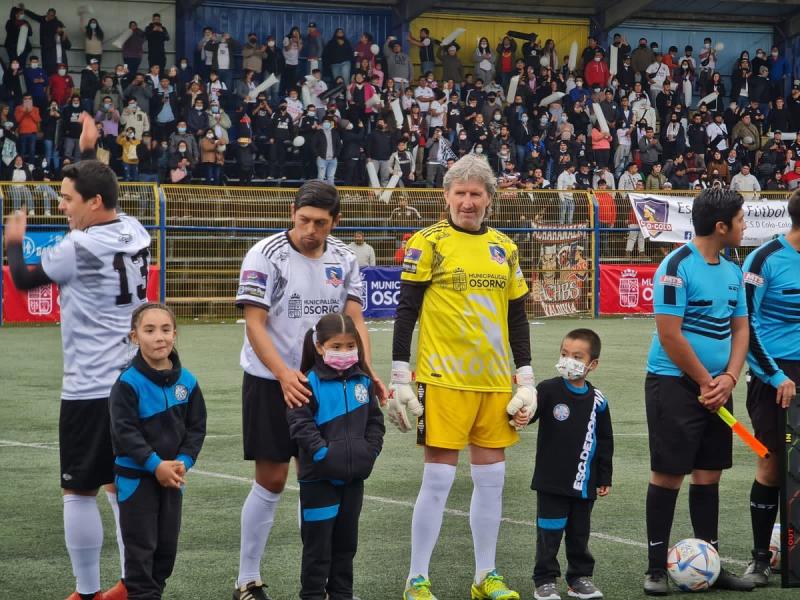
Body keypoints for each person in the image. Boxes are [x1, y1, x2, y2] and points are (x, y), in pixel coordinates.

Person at [4, 113, 151, 600]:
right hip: (134, 381)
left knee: (80, 490)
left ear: (93, 203)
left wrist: (14, 239)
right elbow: (100, 186)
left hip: (90, 385)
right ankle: (132, 583)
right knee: (122, 486)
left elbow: (23, 280)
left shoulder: (79, 246)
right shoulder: (135, 228)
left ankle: (86, 592)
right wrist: (88, 151)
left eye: (67, 199)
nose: (62, 206)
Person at [389, 154, 534, 600]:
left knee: (492, 482)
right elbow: (406, 309)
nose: (467, 202)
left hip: (494, 383)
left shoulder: (505, 248)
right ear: (446, 196)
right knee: (437, 481)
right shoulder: (428, 241)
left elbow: (517, 316)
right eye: (460, 193)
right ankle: (417, 579)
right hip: (442, 381)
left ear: (490, 198)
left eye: (476, 194)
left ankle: (485, 575)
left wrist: (526, 376)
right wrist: (399, 373)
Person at [232, 180, 385, 600]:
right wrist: (284, 374)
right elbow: (254, 324)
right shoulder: (265, 255)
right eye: (303, 220)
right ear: (292, 214)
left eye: (320, 222)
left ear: (335, 221)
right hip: (270, 381)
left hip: (325, 384)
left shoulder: (344, 258)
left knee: (320, 477)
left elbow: (353, 318)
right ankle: (247, 580)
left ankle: (320, 585)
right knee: (272, 478)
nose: (310, 230)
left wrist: (366, 369)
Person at [643, 188, 755, 595]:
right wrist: (707, 382)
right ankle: (656, 569)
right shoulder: (676, 267)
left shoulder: (732, 270)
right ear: (721, 226)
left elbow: (740, 329)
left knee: (709, 474)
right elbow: (669, 335)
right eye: (740, 220)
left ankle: (711, 565)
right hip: (673, 384)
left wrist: (729, 377)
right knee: (669, 474)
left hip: (718, 387)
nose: (745, 226)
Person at [109, 303, 207, 600]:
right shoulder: (127, 383)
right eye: (149, 330)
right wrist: (155, 465)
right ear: (135, 336)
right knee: (141, 552)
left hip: (173, 479)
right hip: (137, 479)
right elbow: (125, 432)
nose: (159, 337)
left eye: (165, 329)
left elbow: (196, 428)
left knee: (165, 552)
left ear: (175, 334)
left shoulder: (188, 382)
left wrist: (183, 461)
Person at [287, 312, 385, 600]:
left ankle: (342, 594)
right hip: (318, 481)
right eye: (336, 346)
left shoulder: (363, 381)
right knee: (317, 551)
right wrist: (322, 454)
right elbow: (300, 424)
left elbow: (375, 422)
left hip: (353, 482)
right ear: (320, 347)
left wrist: (370, 452)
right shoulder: (307, 382)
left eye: (350, 346)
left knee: (345, 548)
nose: (345, 352)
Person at [739, 190, 800, 586]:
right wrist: (775, 375)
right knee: (772, 463)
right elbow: (746, 323)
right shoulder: (764, 259)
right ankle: (761, 558)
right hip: (774, 374)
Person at [530, 329, 613, 600]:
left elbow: (605, 440)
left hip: (584, 482)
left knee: (579, 534)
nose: (569, 361)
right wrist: (520, 409)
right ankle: (545, 580)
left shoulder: (598, 400)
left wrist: (604, 476)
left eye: (577, 357)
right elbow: (528, 415)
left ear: (592, 364)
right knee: (549, 533)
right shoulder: (548, 389)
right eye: (565, 354)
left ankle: (579, 578)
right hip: (551, 482)